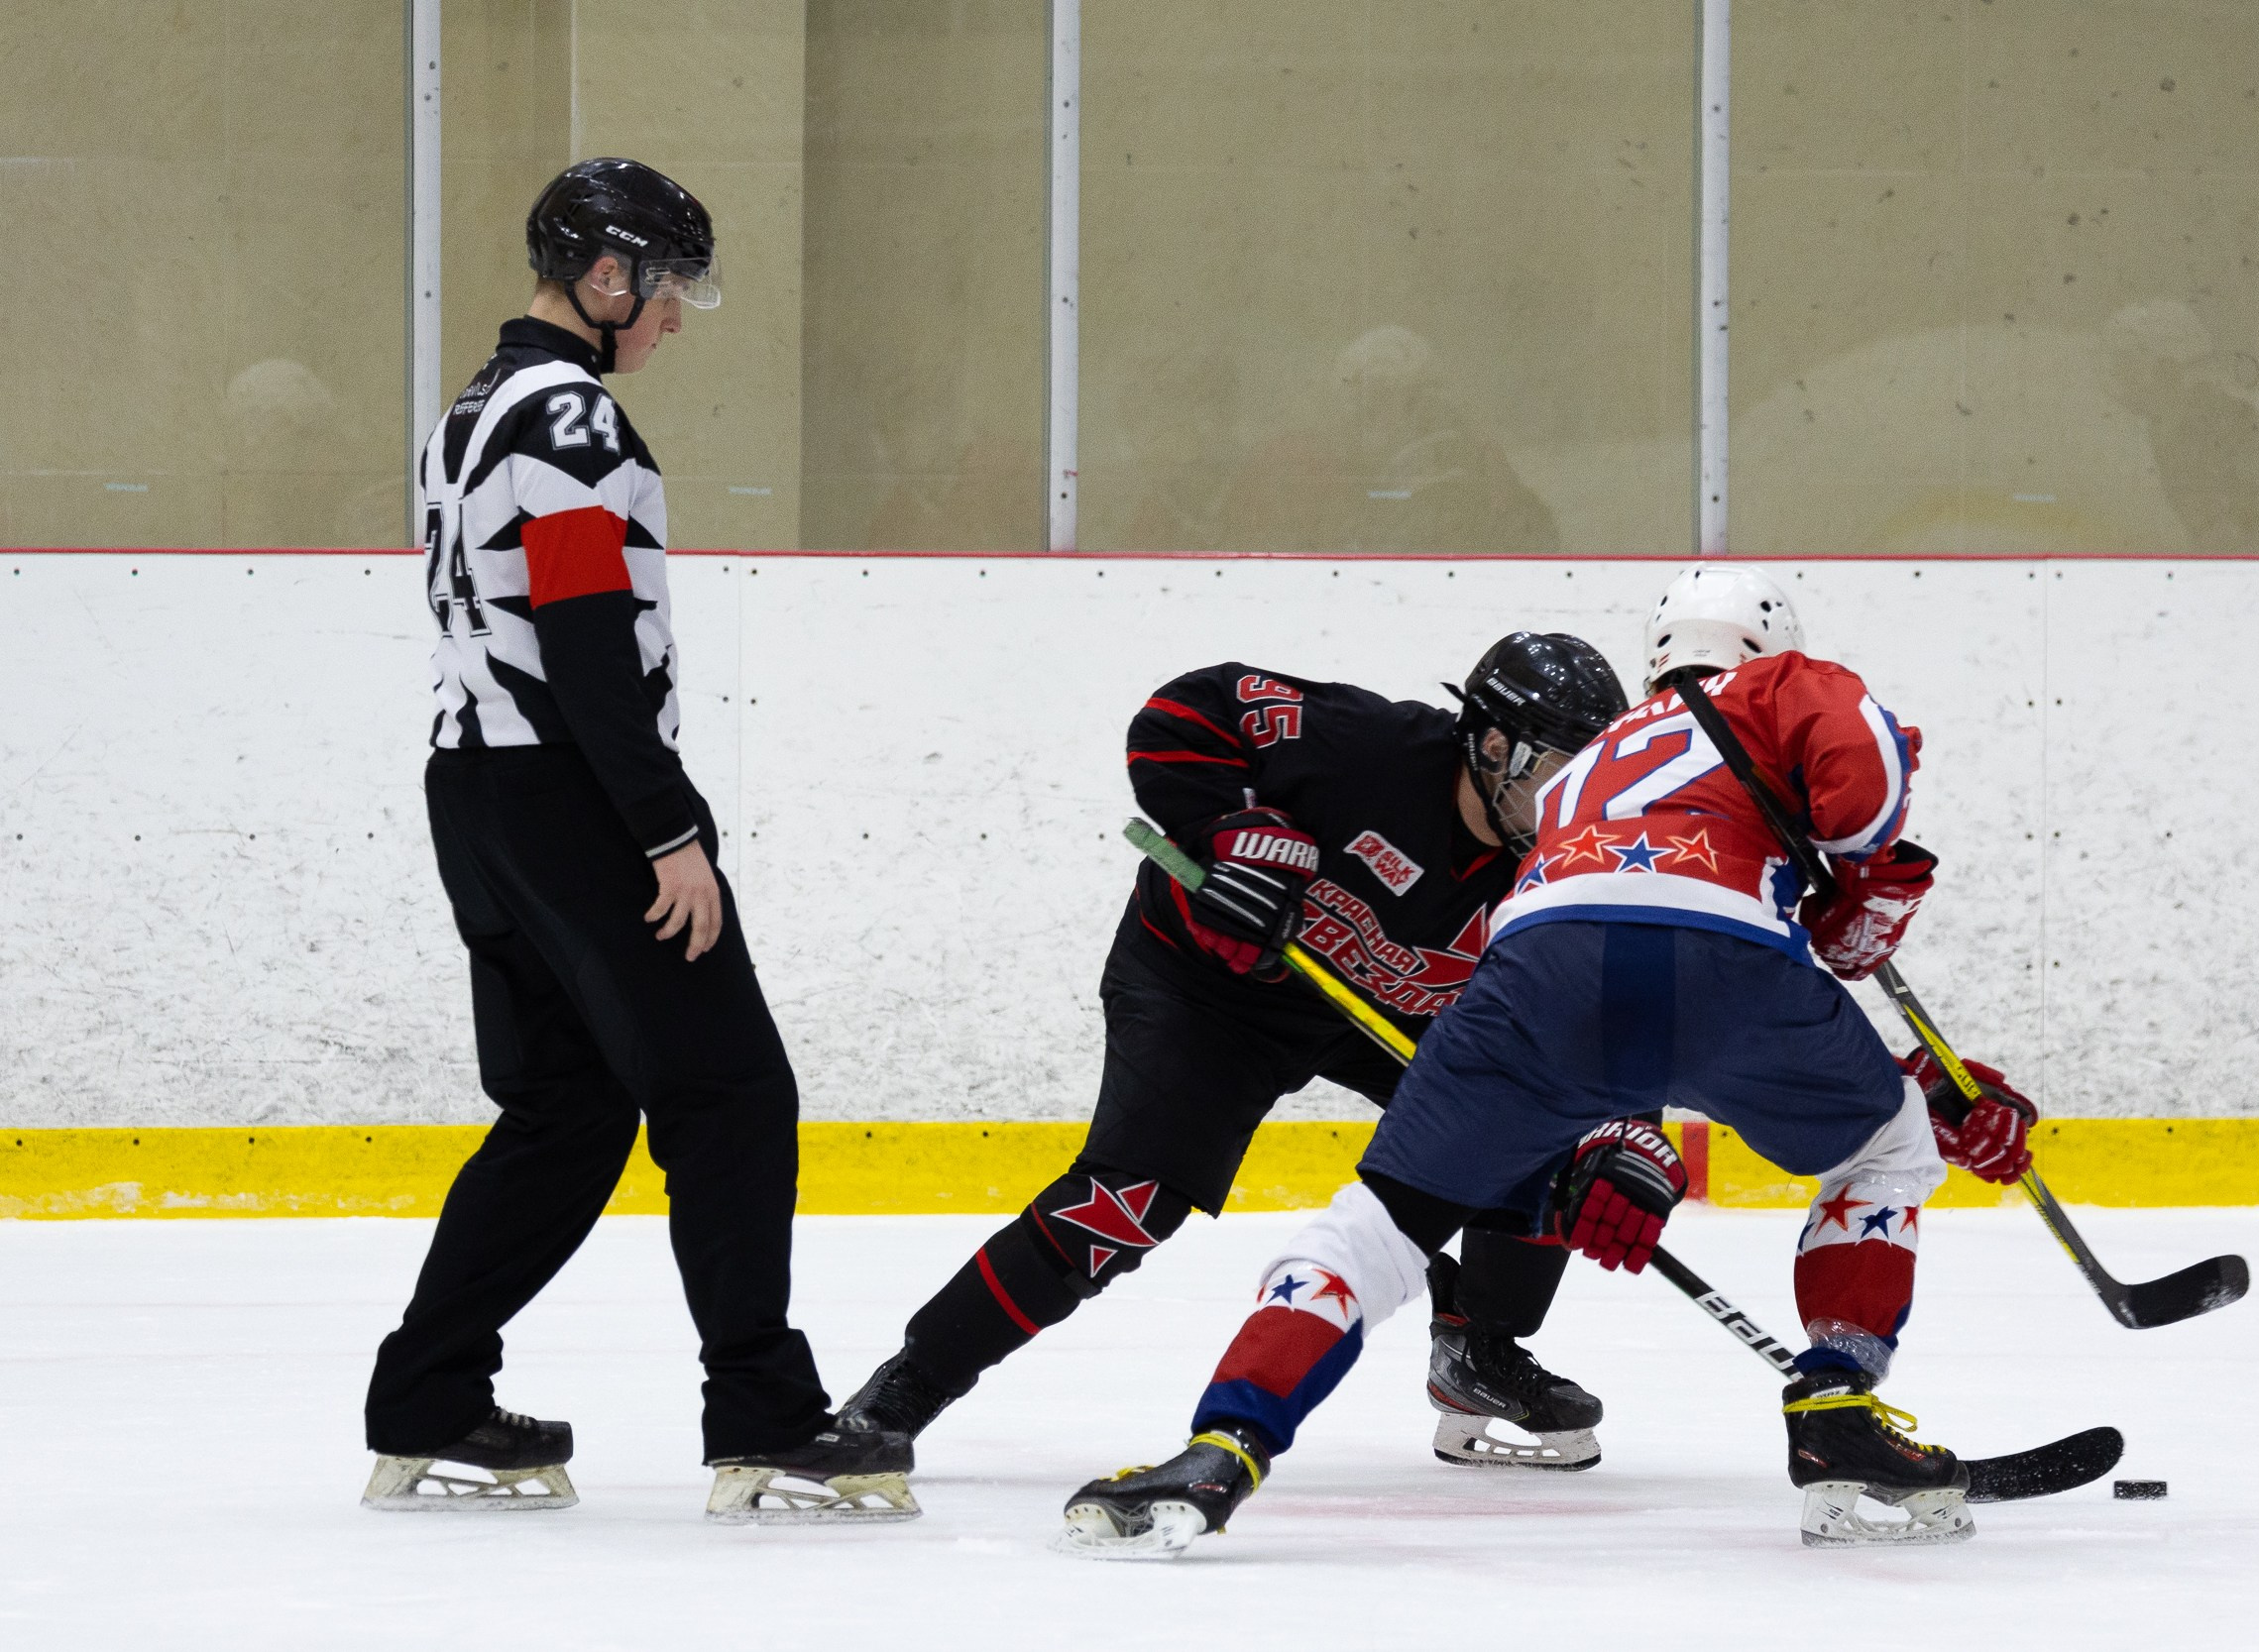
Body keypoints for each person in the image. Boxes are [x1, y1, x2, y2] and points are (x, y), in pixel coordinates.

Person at [1057, 564, 2042, 1558]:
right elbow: (1853, 812)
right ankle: (1836, 1400)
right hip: (1727, 957)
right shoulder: (1783, 683)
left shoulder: (1587, 758)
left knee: (1382, 1223)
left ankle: (1222, 1442)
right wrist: (1874, 894)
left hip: (1534, 967)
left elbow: (1619, 949)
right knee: (1886, 1145)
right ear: (1769, 640)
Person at [361, 158, 914, 1524]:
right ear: (608, 278)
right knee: (732, 1091)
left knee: (570, 1105)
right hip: (573, 797)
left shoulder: (474, 409)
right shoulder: (571, 418)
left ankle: (428, 1393)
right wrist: (668, 828)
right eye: (668, 293)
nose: (674, 320)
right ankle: (768, 1415)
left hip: (479, 797)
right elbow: (588, 644)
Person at [833, 633, 1632, 1474]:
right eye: (1560, 774)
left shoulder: (1568, 864)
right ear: (1495, 746)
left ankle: (1479, 1352)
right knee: (1126, 1200)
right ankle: (903, 1391)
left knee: (1545, 1132)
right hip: (1207, 987)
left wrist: (1619, 1130)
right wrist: (1225, 826)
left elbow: (1603, 1013)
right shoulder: (1365, 747)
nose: (1576, 803)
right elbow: (1187, 708)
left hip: (1375, 1013)